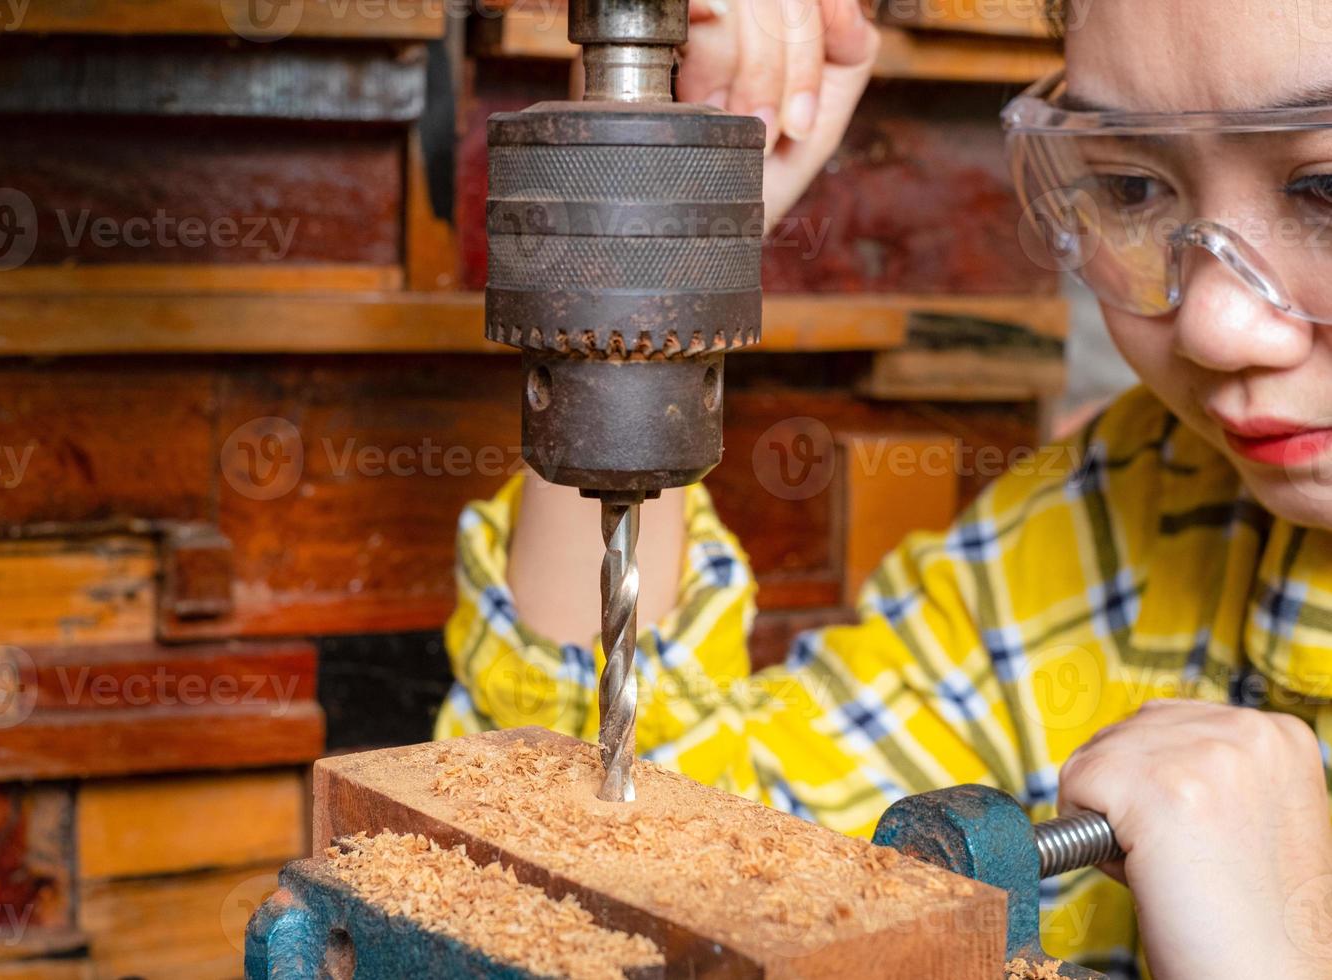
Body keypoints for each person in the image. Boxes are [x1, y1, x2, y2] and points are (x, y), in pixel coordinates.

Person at [436, 1, 1332, 976]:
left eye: (1327, 190)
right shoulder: (1108, 524)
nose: (1216, 324)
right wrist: (645, 245)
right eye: (1129, 184)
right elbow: (604, 853)